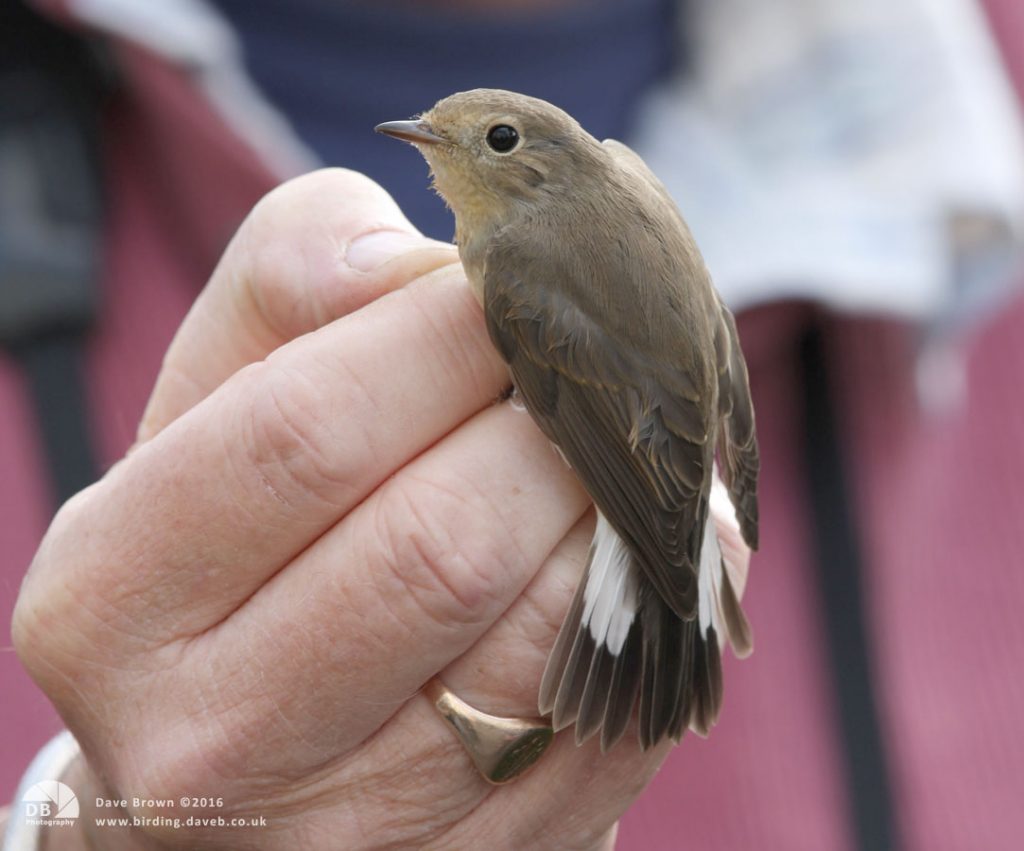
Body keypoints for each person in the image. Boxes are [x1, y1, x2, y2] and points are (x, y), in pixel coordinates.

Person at [3, 0, 1024, 848]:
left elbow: (589, 411)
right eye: (440, 134)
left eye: (490, 139)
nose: (439, 146)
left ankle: (652, 618)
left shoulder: (520, 261)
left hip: (643, 470)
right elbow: (700, 350)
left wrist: (667, 540)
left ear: (542, 163)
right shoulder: (627, 185)